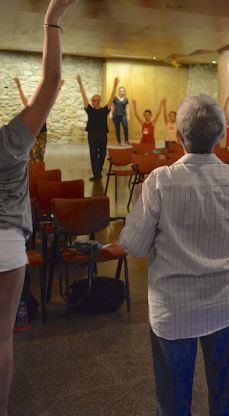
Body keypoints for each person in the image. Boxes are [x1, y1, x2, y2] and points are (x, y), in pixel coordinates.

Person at [117, 93, 229, 414]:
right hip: (226, 304)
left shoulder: (161, 181)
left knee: (173, 403)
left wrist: (140, 201)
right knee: (227, 399)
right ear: (220, 136)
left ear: (178, 135)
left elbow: (134, 244)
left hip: (174, 309)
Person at [0, 1, 76, 414]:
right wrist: (51, 20)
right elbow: (51, 80)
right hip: (6, 245)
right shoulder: (10, 142)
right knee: (2, 339)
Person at [76, 74, 118, 180]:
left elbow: (111, 98)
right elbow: (84, 96)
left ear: (99, 101)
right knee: (93, 155)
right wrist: (80, 84)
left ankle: (98, 171)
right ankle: (96, 174)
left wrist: (115, 86)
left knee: (103, 154)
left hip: (102, 134)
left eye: (96, 100)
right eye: (93, 100)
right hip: (92, 135)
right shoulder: (89, 109)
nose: (94, 102)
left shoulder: (104, 110)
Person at [12, 76, 64, 162]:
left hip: (42, 133)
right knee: (33, 154)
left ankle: (39, 170)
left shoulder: (45, 107)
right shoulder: (30, 107)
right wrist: (18, 85)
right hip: (32, 134)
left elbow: (54, 99)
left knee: (41, 154)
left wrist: (59, 88)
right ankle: (33, 171)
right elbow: (23, 98)